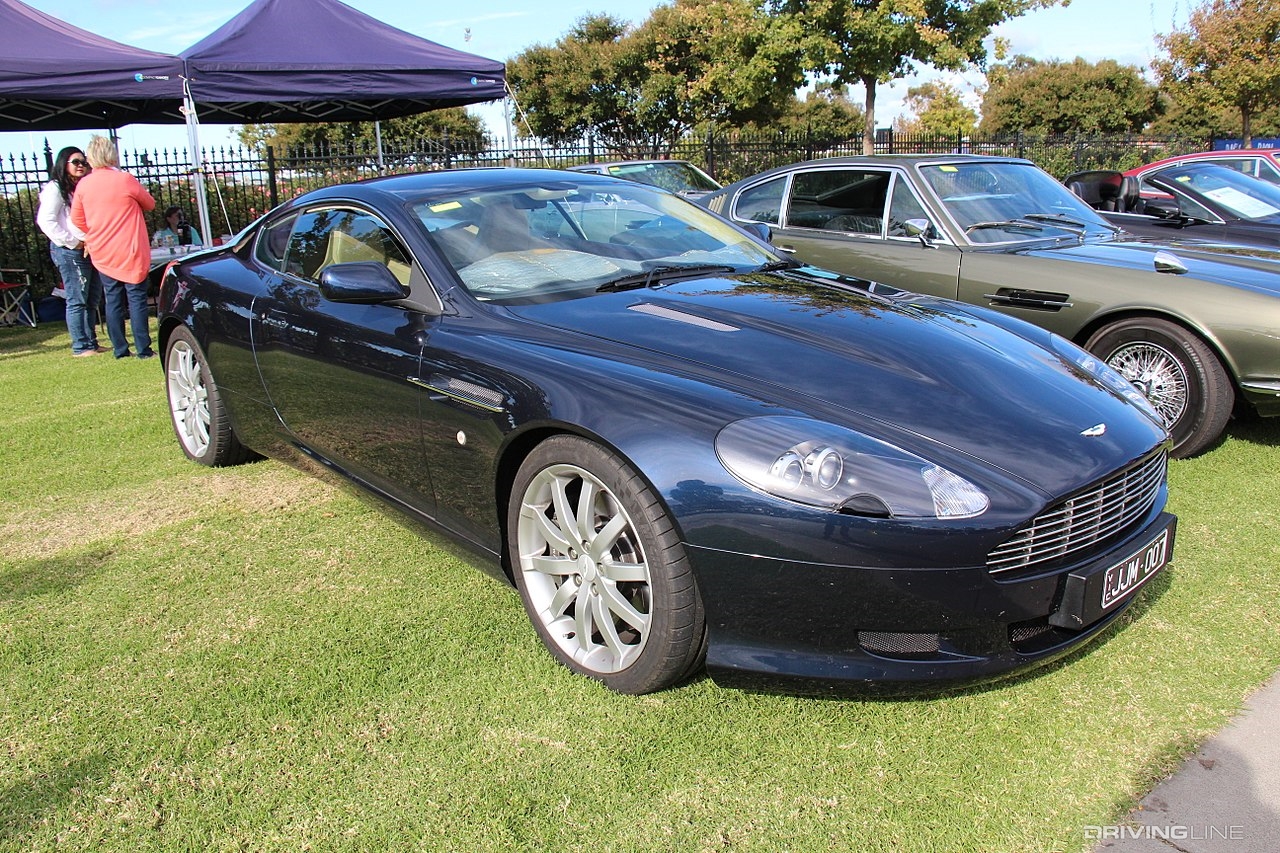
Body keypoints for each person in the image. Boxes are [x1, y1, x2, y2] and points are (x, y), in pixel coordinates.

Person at [70, 135, 157, 360]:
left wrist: (95, 232)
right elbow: (150, 203)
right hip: (130, 247)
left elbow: (77, 219)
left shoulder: (84, 185)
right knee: (136, 297)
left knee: (113, 298)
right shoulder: (125, 180)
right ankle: (143, 348)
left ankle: (120, 349)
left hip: (102, 249)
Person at [36, 146, 105, 357]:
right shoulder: (55, 189)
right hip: (69, 250)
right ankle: (80, 345)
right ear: (64, 164)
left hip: (88, 247)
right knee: (77, 298)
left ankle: (91, 342)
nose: (81, 166)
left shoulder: (81, 188)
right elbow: (45, 221)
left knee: (92, 297)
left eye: (84, 162)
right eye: (76, 162)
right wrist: (72, 242)